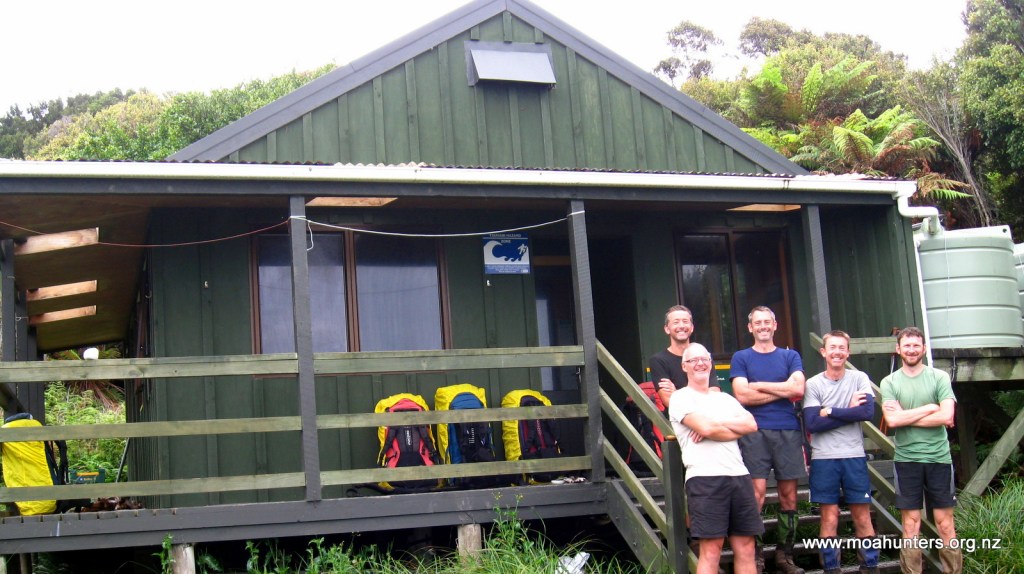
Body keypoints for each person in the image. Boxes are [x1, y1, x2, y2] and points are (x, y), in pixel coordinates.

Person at [669, 343, 762, 574]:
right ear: (684, 366)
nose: (700, 363)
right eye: (693, 360)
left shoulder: (726, 400)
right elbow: (707, 429)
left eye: (704, 359)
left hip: (739, 477)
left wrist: (714, 425)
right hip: (705, 479)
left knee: (747, 547)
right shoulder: (680, 398)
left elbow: (751, 424)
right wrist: (720, 427)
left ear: (711, 363)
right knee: (711, 550)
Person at [731, 305, 806, 574]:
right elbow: (742, 395)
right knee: (756, 495)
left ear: (775, 325)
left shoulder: (790, 355)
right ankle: (756, 556)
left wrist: (759, 385)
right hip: (754, 431)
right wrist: (783, 390)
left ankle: (785, 556)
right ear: (750, 328)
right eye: (757, 323)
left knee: (789, 496)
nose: (763, 326)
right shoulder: (741, 357)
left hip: (787, 430)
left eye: (767, 322)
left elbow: (798, 388)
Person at [880, 326, 959, 574]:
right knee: (911, 524)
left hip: (939, 459)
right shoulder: (889, 382)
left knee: (945, 524)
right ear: (898, 349)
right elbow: (892, 422)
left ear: (923, 349)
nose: (911, 350)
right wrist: (929, 408)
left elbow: (947, 416)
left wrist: (906, 415)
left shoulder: (939, 377)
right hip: (907, 460)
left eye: (916, 345)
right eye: (907, 345)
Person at [802, 330, 880, 574]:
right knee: (829, 517)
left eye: (842, 348)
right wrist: (848, 410)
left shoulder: (859, 378)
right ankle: (831, 569)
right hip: (824, 458)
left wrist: (831, 411)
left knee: (862, 516)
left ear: (848, 352)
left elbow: (866, 413)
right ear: (824, 352)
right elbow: (812, 424)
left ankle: (870, 567)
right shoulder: (813, 384)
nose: (837, 352)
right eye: (832, 348)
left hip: (854, 455)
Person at [649, 305, 718, 408]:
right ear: (667, 329)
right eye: (676, 322)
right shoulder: (658, 361)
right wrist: (703, 394)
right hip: (679, 421)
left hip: (709, 418)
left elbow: (715, 396)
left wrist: (677, 393)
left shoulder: (704, 357)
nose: (681, 326)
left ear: (692, 328)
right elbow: (669, 401)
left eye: (685, 321)